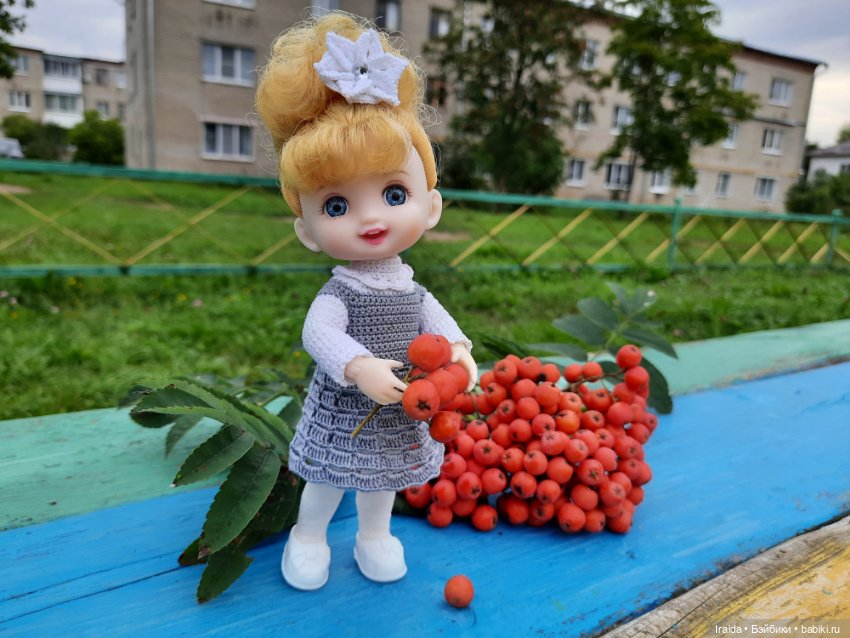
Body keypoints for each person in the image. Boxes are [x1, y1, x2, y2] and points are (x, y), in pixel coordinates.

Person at [256, 12, 477, 591]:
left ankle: (373, 536)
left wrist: (458, 350)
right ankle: (309, 537)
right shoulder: (339, 292)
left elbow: (437, 319)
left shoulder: (413, 289)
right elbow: (319, 333)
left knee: (383, 479)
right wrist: (357, 364)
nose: (372, 217)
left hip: (404, 403)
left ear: (429, 206)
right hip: (344, 407)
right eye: (336, 205)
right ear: (306, 229)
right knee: (329, 477)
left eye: (394, 192)